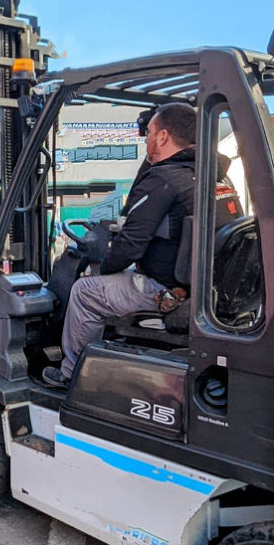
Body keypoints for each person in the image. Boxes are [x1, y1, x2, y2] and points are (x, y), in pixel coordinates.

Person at [43, 103, 198, 389]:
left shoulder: (163, 181)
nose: (147, 139)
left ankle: (72, 375)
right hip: (193, 285)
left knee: (84, 291)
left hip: (161, 287)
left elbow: (128, 247)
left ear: (162, 137)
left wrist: (102, 264)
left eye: (149, 133)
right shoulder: (204, 175)